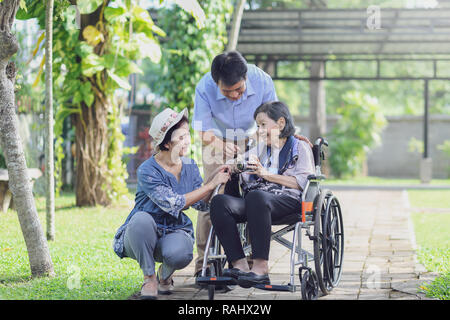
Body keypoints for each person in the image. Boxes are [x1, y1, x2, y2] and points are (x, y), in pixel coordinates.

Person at [113, 108, 230, 300]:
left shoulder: (190, 166)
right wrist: (210, 184)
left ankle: (164, 276)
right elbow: (174, 203)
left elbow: (200, 205)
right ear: (166, 143)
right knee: (142, 220)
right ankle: (149, 278)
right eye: (181, 138)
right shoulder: (147, 170)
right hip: (141, 234)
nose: (187, 141)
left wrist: (217, 182)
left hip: (174, 231)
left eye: (187, 136)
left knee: (181, 253)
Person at [209, 101, 315, 288]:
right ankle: (239, 265)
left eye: (263, 125)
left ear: (280, 123)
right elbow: (243, 164)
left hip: (288, 201)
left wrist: (266, 175)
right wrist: (235, 166)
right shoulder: (260, 149)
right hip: (257, 203)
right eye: (257, 126)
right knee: (219, 202)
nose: (258, 130)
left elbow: (303, 183)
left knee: (256, 196)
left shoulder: (300, 147)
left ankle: (260, 268)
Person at [191, 50, 278, 278]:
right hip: (215, 138)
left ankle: (251, 260)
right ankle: (205, 263)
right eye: (227, 92)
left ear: (246, 78)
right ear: (215, 83)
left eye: (239, 89)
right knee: (212, 195)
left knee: (254, 194)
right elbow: (202, 129)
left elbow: (274, 118)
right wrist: (222, 145)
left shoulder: (262, 80)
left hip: (255, 136)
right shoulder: (204, 87)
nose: (235, 95)